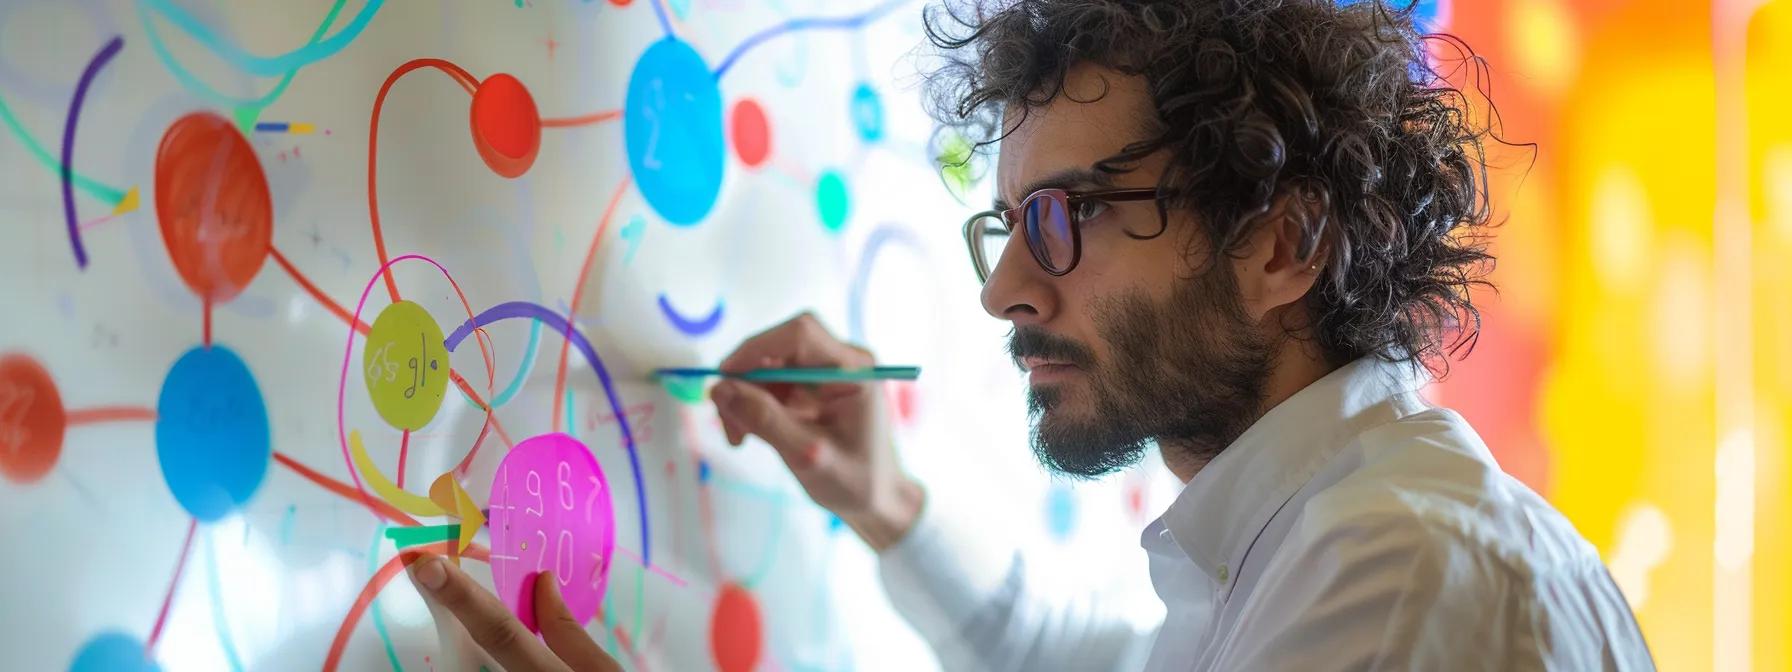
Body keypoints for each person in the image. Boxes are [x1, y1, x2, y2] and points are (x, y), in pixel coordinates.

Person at [410, 0, 1656, 669]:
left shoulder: (1400, 575)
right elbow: (1061, 658)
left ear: (1283, 246)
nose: (1005, 287)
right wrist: (885, 501)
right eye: (1007, 220)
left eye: (1067, 216)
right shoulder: (1305, 541)